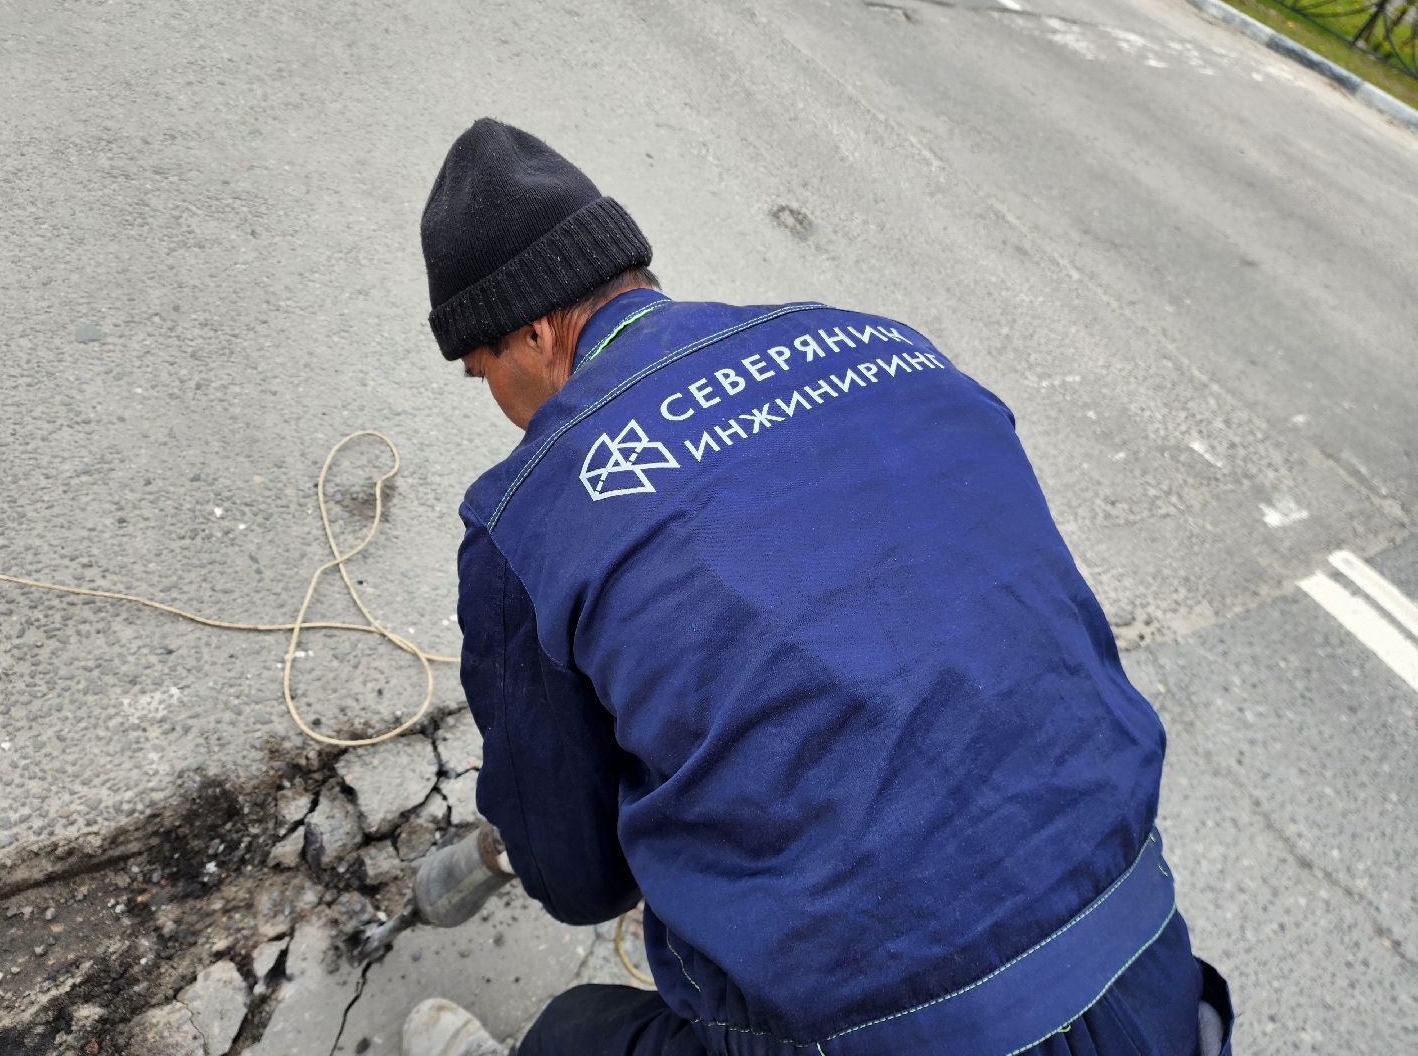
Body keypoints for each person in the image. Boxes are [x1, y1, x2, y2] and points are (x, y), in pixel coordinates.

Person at [403, 118, 1235, 1056]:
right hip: (1150, 973)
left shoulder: (531, 511)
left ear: (536, 330)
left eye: (484, 372)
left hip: (897, 1038)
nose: (500, 403)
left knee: (573, 1034)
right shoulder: (894, 347)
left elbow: (581, 879)